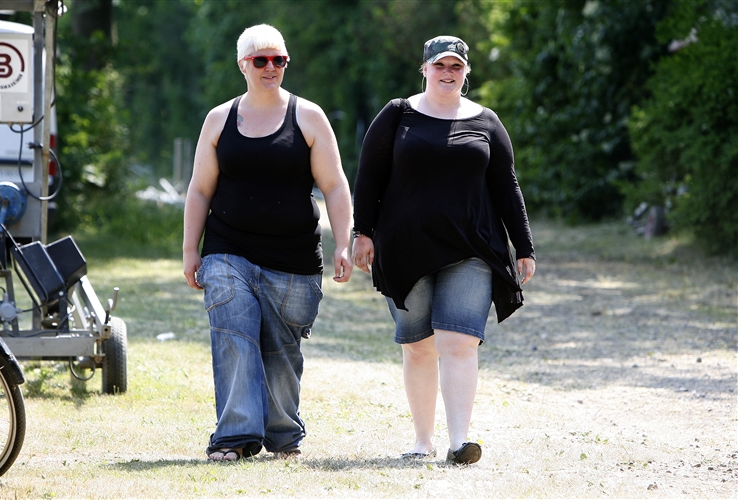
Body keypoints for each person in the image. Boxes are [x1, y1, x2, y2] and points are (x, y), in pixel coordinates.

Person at [351, 35, 536, 465]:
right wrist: (363, 233)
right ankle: (422, 441)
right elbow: (369, 176)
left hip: (472, 248)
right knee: (418, 345)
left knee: (459, 342)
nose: (448, 73)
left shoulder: (486, 121)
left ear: (466, 71)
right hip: (405, 248)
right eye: (440, 66)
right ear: (425, 69)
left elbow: (507, 185)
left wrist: (523, 246)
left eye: (456, 66)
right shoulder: (398, 115)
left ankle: (459, 442)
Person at [183, 24, 353, 462]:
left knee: (281, 353)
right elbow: (200, 189)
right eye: (261, 60)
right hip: (228, 250)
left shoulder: (309, 117)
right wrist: (190, 250)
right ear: (243, 64)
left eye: (279, 59)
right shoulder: (219, 120)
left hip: (293, 259)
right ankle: (235, 437)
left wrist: (344, 243)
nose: (271, 67)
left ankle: (283, 434)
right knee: (234, 334)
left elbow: (334, 185)